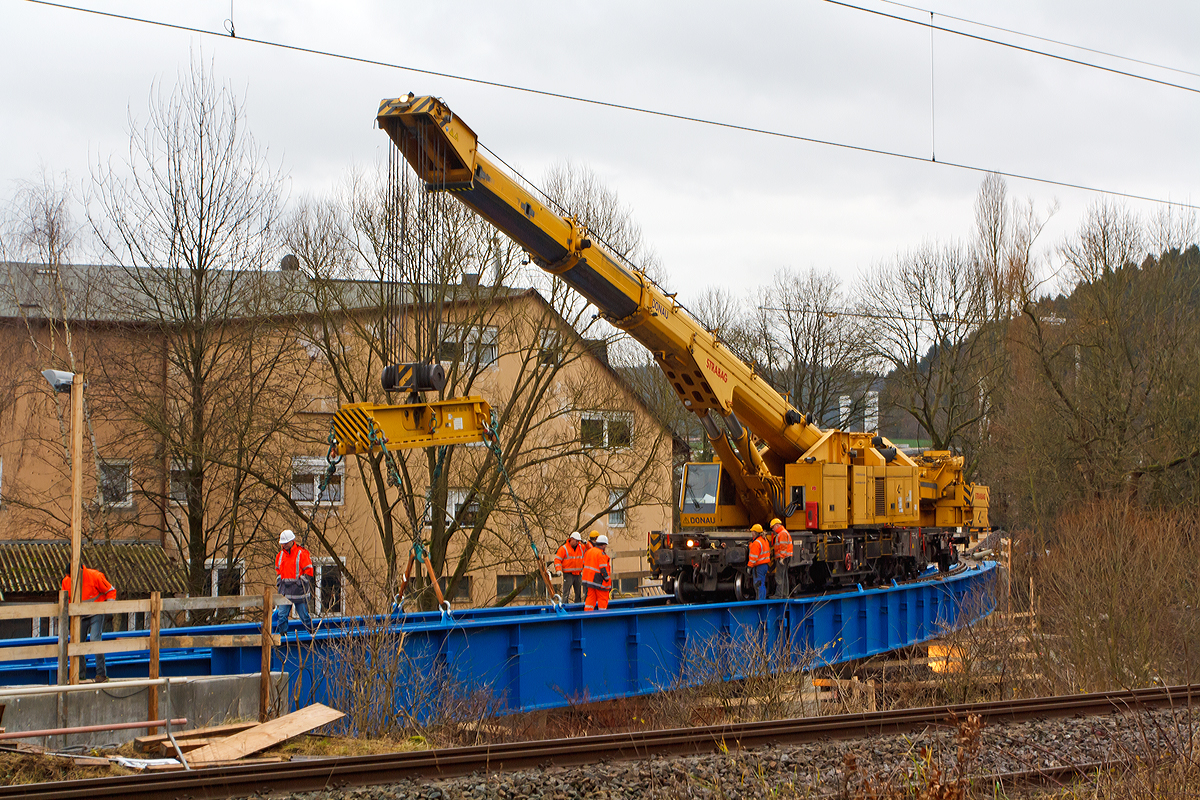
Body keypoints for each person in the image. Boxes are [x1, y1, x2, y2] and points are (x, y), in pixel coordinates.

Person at [61, 564, 116, 682]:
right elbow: (67, 600)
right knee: (77, 643)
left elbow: (110, 590)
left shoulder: (95, 576)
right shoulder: (66, 581)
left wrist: (109, 608)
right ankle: (79, 675)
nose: (70, 578)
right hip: (80, 615)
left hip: (96, 612)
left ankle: (101, 674)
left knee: (95, 640)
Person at [274, 529, 315, 634]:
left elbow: (309, 571)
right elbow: (278, 571)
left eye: (286, 543)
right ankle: (283, 637)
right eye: (283, 543)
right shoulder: (280, 555)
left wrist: (299, 583)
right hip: (285, 592)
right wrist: (280, 582)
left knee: (304, 616)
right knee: (281, 616)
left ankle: (311, 633)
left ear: (292, 541)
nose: (284, 545)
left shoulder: (301, 554)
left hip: (299, 592)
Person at [581, 534, 612, 611]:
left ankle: (587, 617)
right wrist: (607, 579)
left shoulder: (589, 552)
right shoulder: (601, 554)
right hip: (599, 581)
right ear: (604, 545)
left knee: (590, 600)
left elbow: (584, 564)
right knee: (602, 600)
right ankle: (602, 618)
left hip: (589, 581)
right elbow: (603, 569)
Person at [554, 531, 586, 603]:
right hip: (568, 574)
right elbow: (557, 560)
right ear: (571, 539)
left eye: (578, 541)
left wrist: (587, 544)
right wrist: (558, 569)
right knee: (566, 592)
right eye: (576, 541)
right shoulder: (564, 548)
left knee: (578, 593)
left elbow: (590, 550)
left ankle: (578, 607)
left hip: (578, 574)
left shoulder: (581, 547)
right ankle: (565, 606)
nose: (577, 542)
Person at [770, 517, 793, 599]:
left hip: (783, 557)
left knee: (779, 576)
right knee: (784, 576)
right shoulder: (783, 533)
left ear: (777, 525)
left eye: (773, 527)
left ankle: (779, 595)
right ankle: (784, 594)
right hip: (785, 557)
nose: (773, 529)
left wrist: (782, 558)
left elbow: (783, 546)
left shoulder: (782, 533)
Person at [747, 523, 771, 600]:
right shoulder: (764, 540)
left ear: (755, 532)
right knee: (762, 584)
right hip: (764, 565)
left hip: (758, 566)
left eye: (752, 531)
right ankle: (762, 600)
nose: (751, 533)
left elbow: (753, 557)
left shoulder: (756, 543)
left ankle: (760, 601)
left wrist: (749, 566)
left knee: (758, 584)